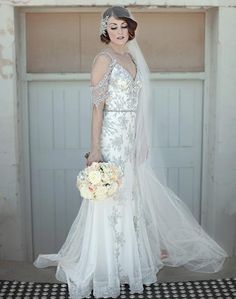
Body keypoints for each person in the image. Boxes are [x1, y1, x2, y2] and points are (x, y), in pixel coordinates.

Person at [34, 6, 228, 299]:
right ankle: (104, 267)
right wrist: (96, 150)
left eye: (123, 26)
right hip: (111, 138)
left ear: (131, 29)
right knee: (110, 199)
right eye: (113, 27)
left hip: (130, 139)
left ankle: (127, 264)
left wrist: (142, 139)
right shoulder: (103, 59)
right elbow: (97, 109)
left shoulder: (133, 57)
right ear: (105, 30)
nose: (119, 32)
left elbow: (140, 107)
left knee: (131, 199)